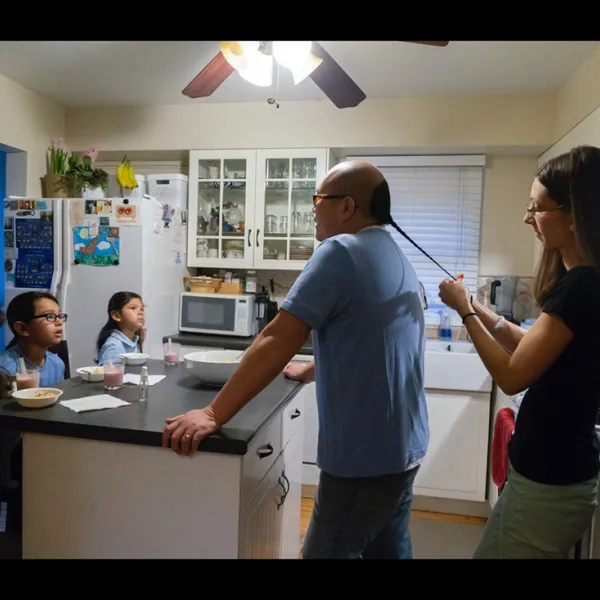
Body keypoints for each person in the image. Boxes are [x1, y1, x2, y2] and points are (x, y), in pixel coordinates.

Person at [162, 160, 429, 559]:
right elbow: (373, 339)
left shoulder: (340, 250)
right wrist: (310, 370)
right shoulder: (394, 254)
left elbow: (276, 338)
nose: (312, 208)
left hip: (363, 458)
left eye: (318, 198)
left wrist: (214, 414)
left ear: (347, 207)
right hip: (404, 449)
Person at [438, 144, 600, 559]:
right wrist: (476, 307)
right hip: (551, 476)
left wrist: (464, 314)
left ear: (573, 213)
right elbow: (532, 349)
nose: (528, 218)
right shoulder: (582, 283)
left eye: (537, 208)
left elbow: (513, 375)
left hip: (551, 481)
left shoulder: (580, 286)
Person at [0, 291, 67, 532]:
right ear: (23, 328)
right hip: (14, 455)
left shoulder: (56, 363)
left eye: (60, 316)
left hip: (44, 446)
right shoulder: (6, 370)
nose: (59, 321)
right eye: (50, 316)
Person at [96, 291, 146, 365]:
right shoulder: (114, 346)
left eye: (142, 309)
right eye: (133, 308)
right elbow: (108, 375)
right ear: (116, 316)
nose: (141, 313)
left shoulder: (133, 341)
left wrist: (140, 343)